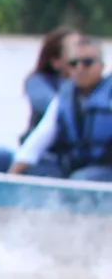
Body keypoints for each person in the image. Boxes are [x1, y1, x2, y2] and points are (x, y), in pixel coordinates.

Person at [6, 32, 112, 181]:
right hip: (74, 166)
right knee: (23, 168)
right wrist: (12, 174)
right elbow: (40, 138)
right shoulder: (64, 97)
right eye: (74, 63)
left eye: (87, 62)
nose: (80, 68)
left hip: (105, 169)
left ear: (101, 66)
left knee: (81, 179)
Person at [0, 26, 77, 170]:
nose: (80, 56)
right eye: (74, 51)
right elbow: (52, 107)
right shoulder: (38, 81)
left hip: (72, 157)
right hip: (45, 155)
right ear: (56, 61)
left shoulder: (94, 90)